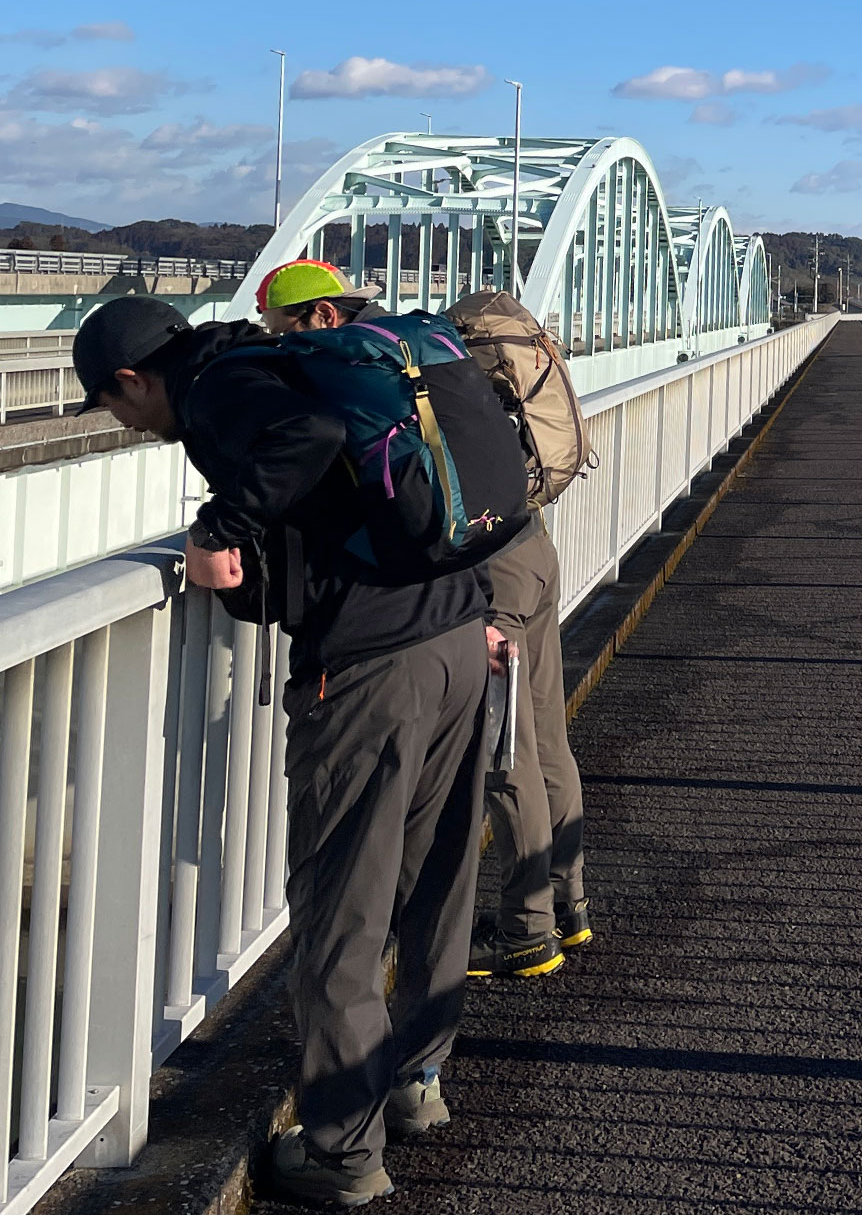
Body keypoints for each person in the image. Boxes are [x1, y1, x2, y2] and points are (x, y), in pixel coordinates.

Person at [74, 272, 493, 1210]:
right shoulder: (278, 359)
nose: (115, 421)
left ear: (135, 378)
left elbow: (310, 441)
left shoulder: (223, 389)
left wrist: (221, 525)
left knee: (343, 901)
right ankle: (416, 1082)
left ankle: (343, 1150)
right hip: (458, 633)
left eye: (108, 402)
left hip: (376, 665)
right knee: (434, 875)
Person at [470, 508, 591, 977]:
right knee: (546, 739)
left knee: (507, 753)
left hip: (494, 576)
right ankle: (567, 904)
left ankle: (526, 931)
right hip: (530, 542)